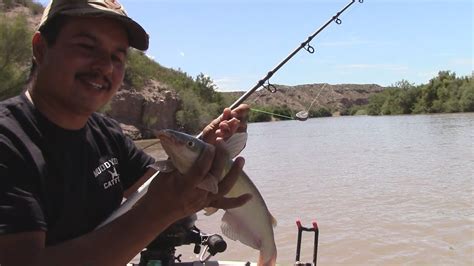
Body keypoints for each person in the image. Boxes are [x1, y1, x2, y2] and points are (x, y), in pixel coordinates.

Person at [0, 0, 251, 265]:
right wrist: (156, 214)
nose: (106, 67)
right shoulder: (9, 142)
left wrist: (198, 154)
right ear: (40, 48)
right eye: (87, 47)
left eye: (117, 57)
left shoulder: (106, 133)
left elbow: (161, 188)